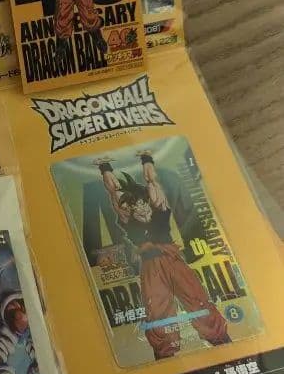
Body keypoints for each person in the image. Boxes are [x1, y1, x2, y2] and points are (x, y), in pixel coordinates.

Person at [98, 151, 231, 359]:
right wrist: (105, 168)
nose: (140, 209)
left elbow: (152, 181)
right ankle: (165, 354)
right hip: (151, 267)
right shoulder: (128, 219)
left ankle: (221, 340)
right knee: (158, 312)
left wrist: (146, 160)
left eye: (143, 203)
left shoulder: (159, 209)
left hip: (172, 259)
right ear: (130, 209)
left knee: (197, 299)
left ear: (147, 202)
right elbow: (114, 193)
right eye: (135, 207)